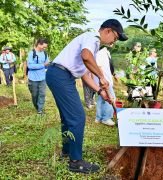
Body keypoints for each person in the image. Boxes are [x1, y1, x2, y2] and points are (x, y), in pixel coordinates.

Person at [46, 19, 128, 173]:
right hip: (60, 75)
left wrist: (100, 91)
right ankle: (75, 162)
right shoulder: (93, 38)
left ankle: (67, 151)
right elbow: (86, 57)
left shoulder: (91, 44)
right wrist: (102, 76)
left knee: (67, 117)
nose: (114, 42)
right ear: (108, 31)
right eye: (115, 38)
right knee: (78, 118)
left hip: (60, 75)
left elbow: (84, 73)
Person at [95, 45, 116, 126]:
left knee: (101, 99)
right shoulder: (101, 53)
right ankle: (106, 118)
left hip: (107, 79)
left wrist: (114, 74)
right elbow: (99, 67)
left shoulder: (106, 51)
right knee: (111, 98)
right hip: (105, 81)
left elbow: (109, 67)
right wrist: (102, 79)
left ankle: (98, 118)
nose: (113, 42)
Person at [27, 38, 49, 114]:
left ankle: (40, 110)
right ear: (39, 44)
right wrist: (42, 65)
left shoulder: (45, 54)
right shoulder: (31, 53)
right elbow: (30, 66)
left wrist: (46, 68)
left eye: (45, 47)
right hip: (33, 78)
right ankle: (37, 107)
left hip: (43, 78)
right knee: (34, 95)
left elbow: (47, 64)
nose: (44, 48)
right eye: (44, 47)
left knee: (42, 94)